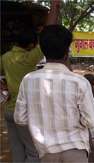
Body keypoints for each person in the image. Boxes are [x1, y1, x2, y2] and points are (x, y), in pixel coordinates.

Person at [14, 25, 94, 162]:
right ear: (67, 52)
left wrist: (39, 117)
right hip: (75, 152)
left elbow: (20, 118)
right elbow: (91, 121)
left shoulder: (28, 80)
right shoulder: (79, 82)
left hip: (46, 153)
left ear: (42, 50)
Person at [0, 1, 61, 162]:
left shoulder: (5, 57)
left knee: (16, 149)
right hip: (25, 111)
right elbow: (47, 34)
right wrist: (54, 7)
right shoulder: (29, 58)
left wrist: (4, 88)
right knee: (33, 152)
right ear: (31, 45)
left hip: (8, 111)